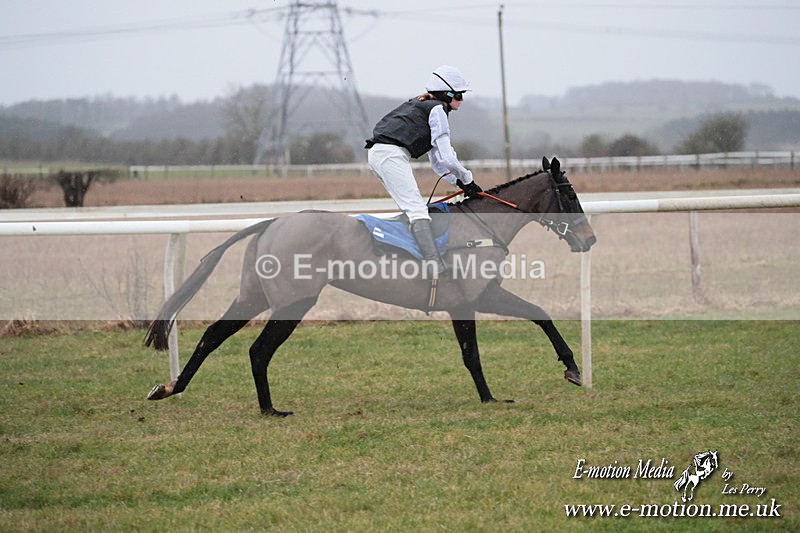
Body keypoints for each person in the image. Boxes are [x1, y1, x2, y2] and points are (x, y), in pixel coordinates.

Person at [365, 65, 483, 278]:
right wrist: (468, 179)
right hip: (390, 155)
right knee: (417, 210)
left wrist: (460, 184)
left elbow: (438, 163)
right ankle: (434, 265)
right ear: (447, 94)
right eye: (459, 95)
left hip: (381, 154)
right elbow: (448, 158)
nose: (461, 100)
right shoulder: (437, 110)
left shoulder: (425, 106)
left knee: (412, 209)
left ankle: (408, 254)